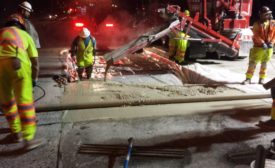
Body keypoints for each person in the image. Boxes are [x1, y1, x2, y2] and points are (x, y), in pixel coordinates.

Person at [0, 15, 45, 150]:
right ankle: (29, 139)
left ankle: (16, 134)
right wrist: (34, 79)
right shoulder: (24, 35)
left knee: (7, 102)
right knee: (24, 102)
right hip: (18, 66)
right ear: (21, 25)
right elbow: (35, 62)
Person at [243, 6, 275, 85]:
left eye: (268, 14)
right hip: (258, 47)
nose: (266, 16)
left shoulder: (272, 23)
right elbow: (255, 35)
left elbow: (274, 35)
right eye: (265, 14)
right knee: (253, 63)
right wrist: (262, 43)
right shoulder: (256, 24)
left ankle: (262, 79)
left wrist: (272, 42)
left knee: (264, 64)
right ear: (261, 15)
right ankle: (248, 78)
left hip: (268, 48)